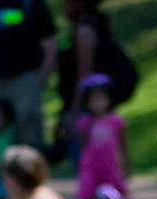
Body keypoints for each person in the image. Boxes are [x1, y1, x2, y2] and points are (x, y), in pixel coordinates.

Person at [0, 0, 56, 156]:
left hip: (23, 78)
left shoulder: (32, 5)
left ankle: (28, 172)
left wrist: (39, 78)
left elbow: (49, 45)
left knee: (28, 119)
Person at [51, 0, 136, 163]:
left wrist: (73, 112)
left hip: (86, 108)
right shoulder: (86, 28)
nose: (64, 8)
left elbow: (84, 74)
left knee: (88, 163)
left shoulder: (85, 31)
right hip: (86, 105)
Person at [74, 73, 130, 199]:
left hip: (110, 168)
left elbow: (124, 146)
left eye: (102, 98)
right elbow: (83, 146)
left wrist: (127, 167)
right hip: (91, 168)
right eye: (93, 99)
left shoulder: (117, 121)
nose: (98, 103)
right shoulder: (84, 123)